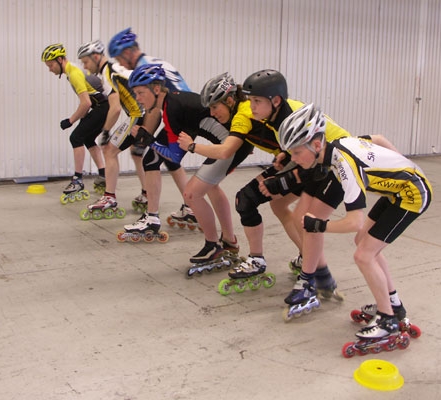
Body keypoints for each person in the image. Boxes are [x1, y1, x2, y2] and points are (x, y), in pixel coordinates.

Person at [179, 69, 350, 289]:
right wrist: (286, 154)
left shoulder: (252, 114)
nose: (252, 107)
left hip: (330, 162)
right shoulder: (274, 111)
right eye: (250, 101)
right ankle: (309, 263)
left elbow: (226, 151)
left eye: (256, 101)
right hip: (317, 157)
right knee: (279, 206)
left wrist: (191, 146)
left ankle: (313, 271)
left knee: (257, 202)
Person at [278, 103, 432, 340]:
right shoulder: (339, 145)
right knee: (364, 244)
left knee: (363, 255)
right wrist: (401, 164)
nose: (294, 158)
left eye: (297, 152)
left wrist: (319, 225)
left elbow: (354, 222)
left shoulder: (345, 165)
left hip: (412, 195)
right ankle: (393, 305)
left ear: (317, 145)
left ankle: (387, 320)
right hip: (399, 190)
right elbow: (378, 139)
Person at [121, 65, 241, 247]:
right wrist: (150, 141)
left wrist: (148, 140)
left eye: (140, 93)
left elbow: (174, 157)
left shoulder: (172, 109)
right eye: (135, 93)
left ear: (156, 89)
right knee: (152, 159)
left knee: (200, 190)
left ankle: (218, 242)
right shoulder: (172, 104)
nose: (137, 98)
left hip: (230, 145)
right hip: (215, 136)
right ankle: (159, 216)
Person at [108, 28, 193, 219]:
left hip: (181, 115)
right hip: (183, 115)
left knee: (151, 160)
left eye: (119, 58)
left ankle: (152, 219)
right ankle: (191, 207)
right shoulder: (153, 62)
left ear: (128, 52)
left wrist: (144, 135)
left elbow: (154, 109)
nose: (119, 63)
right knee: (171, 162)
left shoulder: (145, 67)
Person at [76, 39, 159, 218]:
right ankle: (147, 194)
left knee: (109, 151)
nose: (85, 67)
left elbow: (115, 108)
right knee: (136, 154)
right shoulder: (114, 69)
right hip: (148, 112)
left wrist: (105, 132)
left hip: (139, 114)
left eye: (86, 62)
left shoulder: (108, 72)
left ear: (96, 57)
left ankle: (109, 198)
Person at [179, 73, 254, 266]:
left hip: (231, 149)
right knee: (210, 186)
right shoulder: (236, 109)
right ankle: (229, 241)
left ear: (229, 100)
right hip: (234, 146)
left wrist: (191, 146)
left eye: (214, 107)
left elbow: (224, 151)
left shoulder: (242, 113)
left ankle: (213, 245)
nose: (212, 113)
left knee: (191, 194)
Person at [41, 43, 107, 203]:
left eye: (50, 65)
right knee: (87, 138)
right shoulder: (73, 70)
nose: (50, 69)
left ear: (60, 59)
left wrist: (70, 121)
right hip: (102, 106)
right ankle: (103, 175)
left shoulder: (74, 73)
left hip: (104, 106)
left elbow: (86, 103)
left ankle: (77, 180)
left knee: (75, 137)